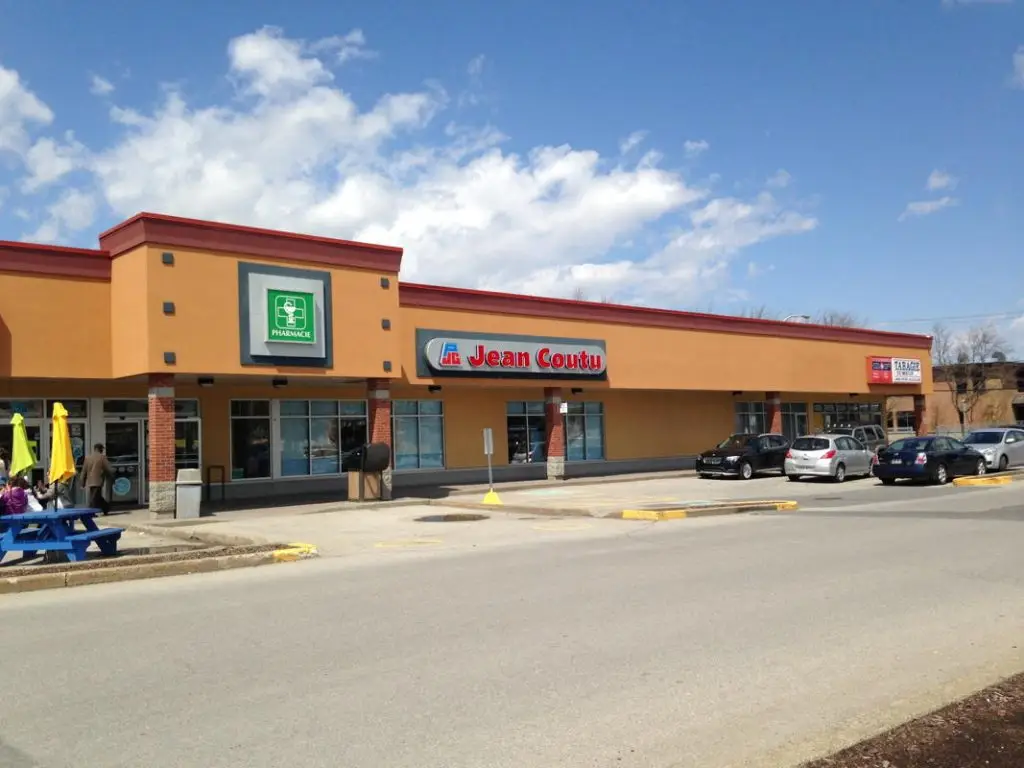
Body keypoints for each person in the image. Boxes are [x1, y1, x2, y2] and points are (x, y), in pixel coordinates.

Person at [80, 443, 113, 515]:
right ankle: (93, 511)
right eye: (102, 449)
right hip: (98, 480)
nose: (102, 451)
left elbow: (84, 471)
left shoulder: (88, 458)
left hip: (90, 480)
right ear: (99, 449)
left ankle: (105, 508)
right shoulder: (102, 457)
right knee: (95, 497)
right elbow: (108, 468)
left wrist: (82, 482)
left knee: (95, 496)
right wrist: (112, 477)